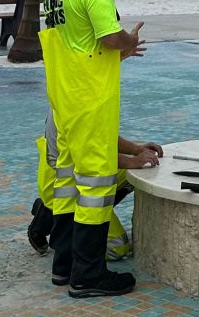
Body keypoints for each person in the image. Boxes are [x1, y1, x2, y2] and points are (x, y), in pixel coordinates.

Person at [37, 0, 146, 297]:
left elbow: (79, 44)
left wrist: (118, 51)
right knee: (96, 184)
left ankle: (63, 267)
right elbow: (108, 36)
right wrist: (127, 41)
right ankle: (88, 275)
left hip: (63, 98)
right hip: (90, 98)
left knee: (68, 185)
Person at [28, 114, 163, 275]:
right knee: (116, 247)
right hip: (64, 187)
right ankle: (53, 216)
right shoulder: (77, 95)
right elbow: (88, 151)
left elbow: (99, 137)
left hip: (82, 176)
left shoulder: (85, 92)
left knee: (133, 176)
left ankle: (52, 214)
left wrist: (136, 149)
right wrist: (132, 161)